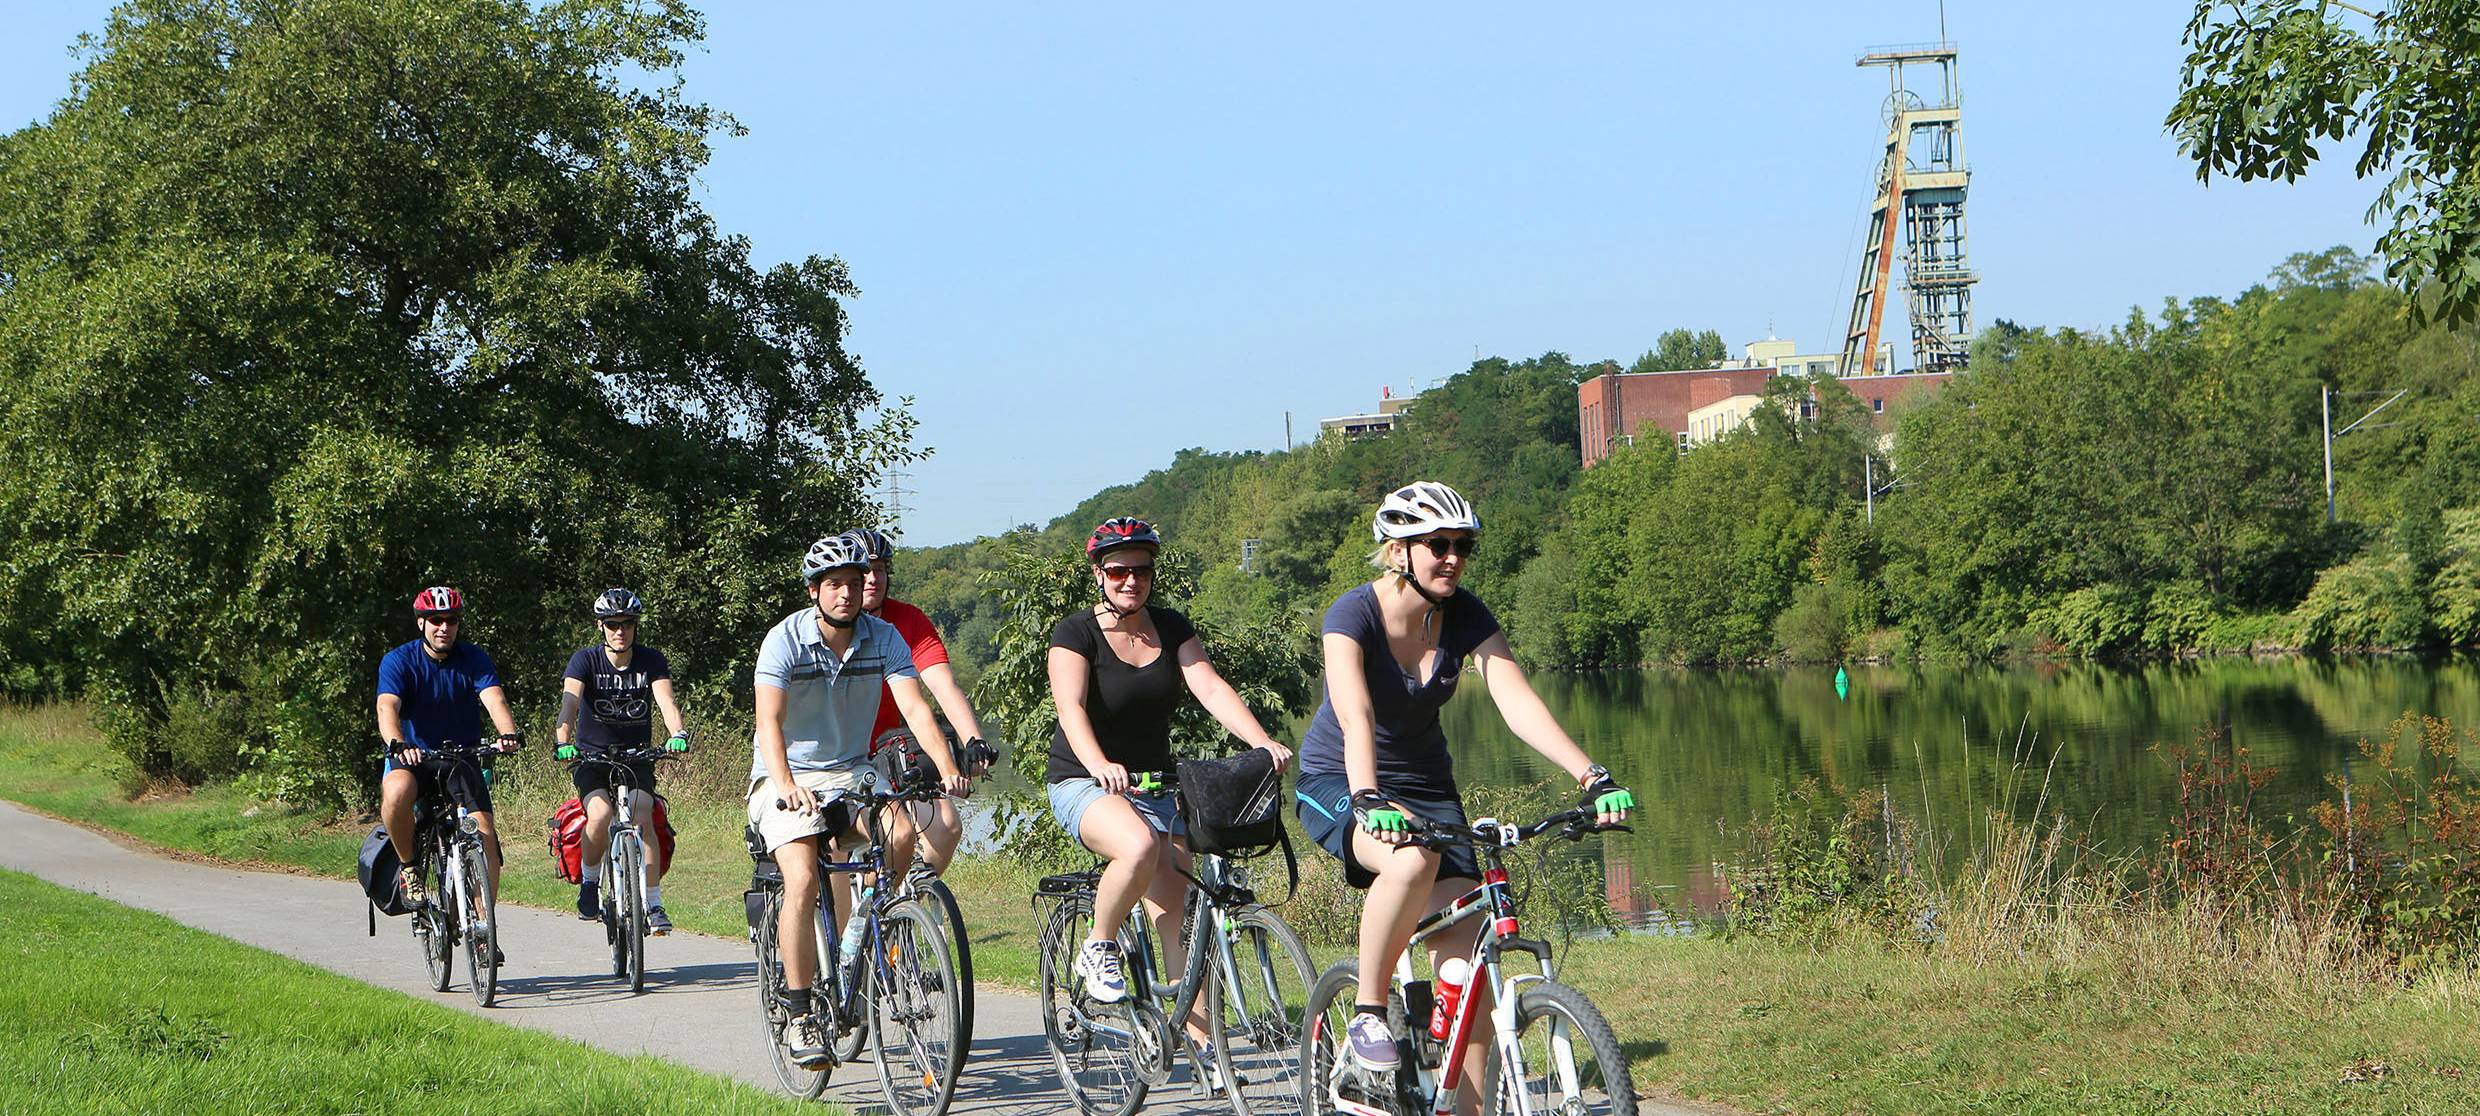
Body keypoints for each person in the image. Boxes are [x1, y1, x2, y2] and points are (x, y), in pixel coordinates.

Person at [1292, 482, 1635, 1108]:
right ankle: (1369, 1008)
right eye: (1438, 545)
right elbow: (1356, 711)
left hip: (1427, 786)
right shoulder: (1353, 616)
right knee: (1410, 860)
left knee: (1468, 966)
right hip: (1338, 779)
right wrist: (1368, 796)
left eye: (1463, 546)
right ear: (1398, 552)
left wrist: (1592, 775)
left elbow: (1515, 699)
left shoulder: (1466, 614)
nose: (1453, 558)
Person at [1046, 517, 1292, 1010]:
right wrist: (1098, 763)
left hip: (1156, 784)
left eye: (1141, 570)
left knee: (1177, 923)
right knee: (1136, 847)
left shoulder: (1172, 626)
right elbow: (1069, 708)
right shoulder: (1075, 633)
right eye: (1118, 571)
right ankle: (1098, 944)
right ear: (1098, 573)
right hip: (1084, 781)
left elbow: (1210, 687)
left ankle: (1204, 1052)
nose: (1130, 580)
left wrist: (1263, 743)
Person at [751, 531, 970, 1066]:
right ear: (814, 591)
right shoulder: (784, 641)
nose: (847, 593)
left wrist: (946, 768)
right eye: (834, 584)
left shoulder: (885, 636)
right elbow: (769, 722)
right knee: (802, 876)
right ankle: (801, 1013)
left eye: (853, 582)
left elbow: (916, 709)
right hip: (787, 778)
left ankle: (868, 937)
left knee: (898, 830)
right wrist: (784, 784)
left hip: (853, 774)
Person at [375, 586, 524, 926]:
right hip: (414, 755)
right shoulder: (399, 660)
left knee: (484, 833)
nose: (444, 627)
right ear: (421, 624)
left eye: (451, 620)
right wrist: (398, 742)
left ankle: (484, 926)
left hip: (461, 757)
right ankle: (410, 868)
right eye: (435, 620)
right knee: (396, 792)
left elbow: (494, 698)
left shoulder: (473, 658)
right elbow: (387, 706)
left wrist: (507, 733)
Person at [853, 527, 995, 874]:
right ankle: (856, 918)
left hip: (894, 748)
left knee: (945, 827)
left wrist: (972, 740)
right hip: (845, 751)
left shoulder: (908, 620)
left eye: (882, 569)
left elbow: (943, 685)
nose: (874, 578)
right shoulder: (832, 623)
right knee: (849, 844)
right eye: (865, 570)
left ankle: (900, 904)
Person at [553, 587, 690, 934]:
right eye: (613, 624)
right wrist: (562, 741)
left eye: (627, 624)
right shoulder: (584, 661)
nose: (620, 631)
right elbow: (569, 707)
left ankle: (654, 903)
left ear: (635, 626)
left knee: (642, 813)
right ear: (601, 626)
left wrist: (677, 733)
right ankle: (590, 881)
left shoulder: (651, 660)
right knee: (599, 813)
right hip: (591, 757)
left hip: (635, 757)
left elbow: (666, 701)